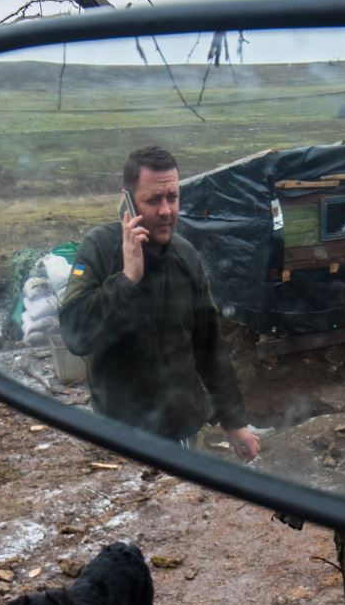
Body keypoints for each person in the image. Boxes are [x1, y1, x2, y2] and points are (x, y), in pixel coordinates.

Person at [59, 146, 261, 461]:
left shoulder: (186, 256)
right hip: (121, 436)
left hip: (182, 429)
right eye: (154, 200)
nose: (166, 210)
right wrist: (127, 280)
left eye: (173, 197)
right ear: (127, 200)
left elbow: (210, 348)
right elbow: (75, 335)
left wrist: (235, 422)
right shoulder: (99, 248)